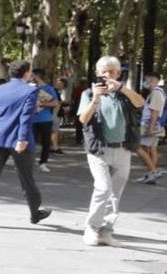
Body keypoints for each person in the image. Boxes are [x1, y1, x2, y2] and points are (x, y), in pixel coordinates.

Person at [0, 60, 53, 228]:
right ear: (27, 73)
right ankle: (35, 212)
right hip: (18, 138)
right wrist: (22, 138)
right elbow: (25, 116)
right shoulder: (30, 91)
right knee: (26, 176)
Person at [76, 56, 145, 246]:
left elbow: (140, 103)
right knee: (103, 188)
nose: (107, 75)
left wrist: (122, 88)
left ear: (118, 74)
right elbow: (83, 119)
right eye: (103, 72)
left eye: (112, 71)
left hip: (123, 149)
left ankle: (106, 231)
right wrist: (96, 100)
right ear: (97, 73)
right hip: (99, 149)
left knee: (116, 193)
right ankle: (91, 228)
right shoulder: (89, 94)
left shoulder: (124, 94)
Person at [134, 71, 165, 184]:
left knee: (137, 147)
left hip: (150, 125)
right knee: (151, 149)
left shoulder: (156, 93)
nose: (145, 82)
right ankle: (150, 175)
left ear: (151, 79)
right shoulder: (156, 92)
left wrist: (150, 128)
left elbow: (155, 112)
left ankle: (153, 171)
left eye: (146, 79)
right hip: (154, 125)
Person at [31, 68, 60, 172]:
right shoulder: (30, 88)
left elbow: (56, 103)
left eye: (32, 75)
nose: (30, 77)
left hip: (45, 119)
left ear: (37, 76)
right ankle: (29, 161)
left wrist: (41, 104)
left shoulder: (49, 89)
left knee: (46, 142)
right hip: (31, 119)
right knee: (29, 141)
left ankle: (43, 162)